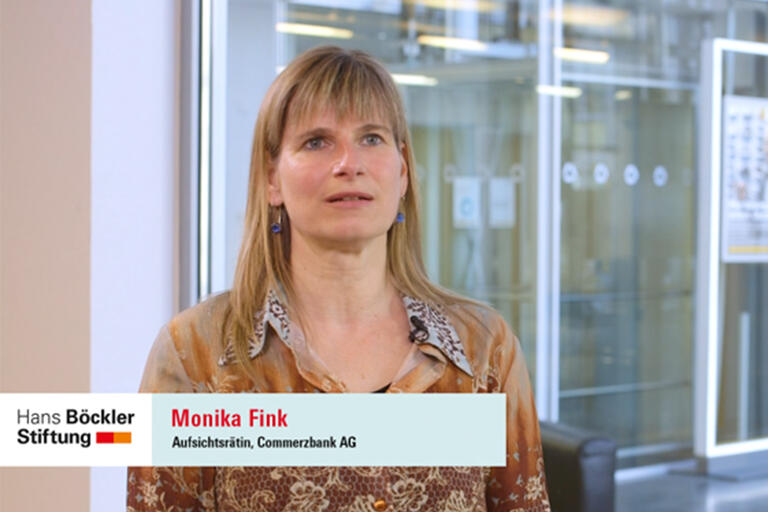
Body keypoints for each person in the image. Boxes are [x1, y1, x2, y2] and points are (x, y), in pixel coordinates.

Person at [127, 45, 550, 512]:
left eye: (371, 138)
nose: (349, 163)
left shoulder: (484, 350)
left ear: (403, 172)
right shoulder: (196, 355)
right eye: (316, 142)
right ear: (272, 179)